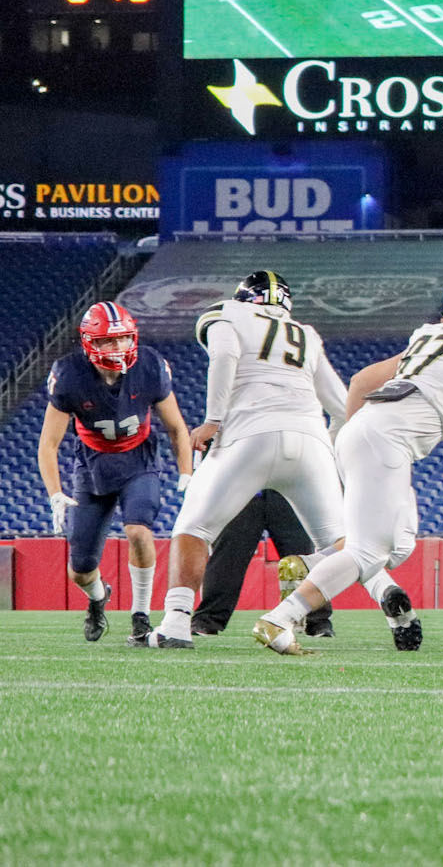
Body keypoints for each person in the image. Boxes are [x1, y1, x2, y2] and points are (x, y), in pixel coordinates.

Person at [253, 273, 443, 654]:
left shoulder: (430, 337)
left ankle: (307, 564)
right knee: (367, 552)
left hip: (368, 433)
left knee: (399, 545)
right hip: (382, 440)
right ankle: (280, 619)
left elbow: (361, 380)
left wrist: (357, 437)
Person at [149, 272, 397, 648]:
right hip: (309, 439)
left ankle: (176, 623)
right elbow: (343, 406)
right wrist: (326, 446)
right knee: (342, 541)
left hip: (250, 434)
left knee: (194, 526)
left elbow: (224, 356)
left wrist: (214, 419)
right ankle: (386, 594)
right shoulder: (305, 333)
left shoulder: (227, 314)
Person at [38, 303, 192, 644]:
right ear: (89, 343)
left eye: (123, 339)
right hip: (92, 466)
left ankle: (140, 615)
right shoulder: (69, 375)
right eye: (108, 342)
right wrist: (55, 493)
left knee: (139, 532)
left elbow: (177, 428)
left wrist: (186, 474)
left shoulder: (149, 365)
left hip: (138, 460)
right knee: (80, 570)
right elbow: (48, 443)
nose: (118, 348)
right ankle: (97, 598)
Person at [191, 490, 334, 637]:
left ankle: (318, 621)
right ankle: (207, 619)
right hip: (244, 490)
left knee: (304, 559)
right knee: (226, 560)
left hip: (287, 491)